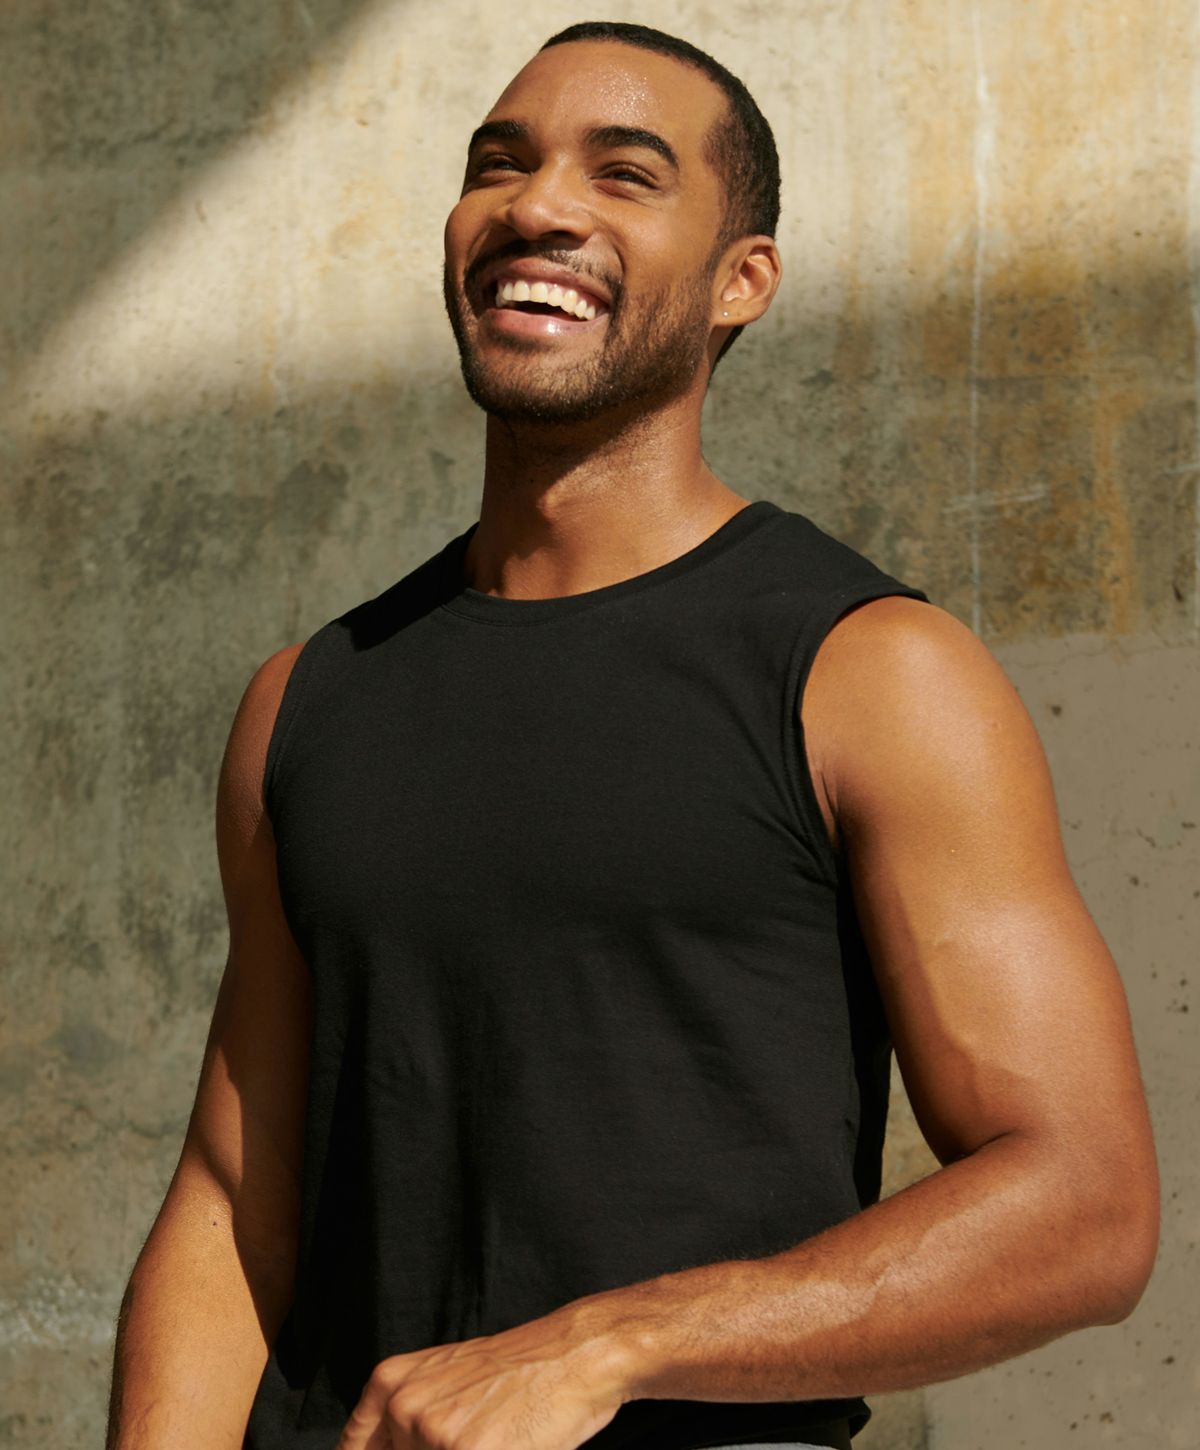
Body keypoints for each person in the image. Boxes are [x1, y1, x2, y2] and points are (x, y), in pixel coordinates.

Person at [106, 21, 1159, 1450]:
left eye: (625, 174)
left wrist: (609, 1344)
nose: (539, 206)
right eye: (500, 162)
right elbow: (238, 1198)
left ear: (744, 281)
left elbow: (1084, 1203)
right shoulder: (308, 699)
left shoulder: (868, 671)